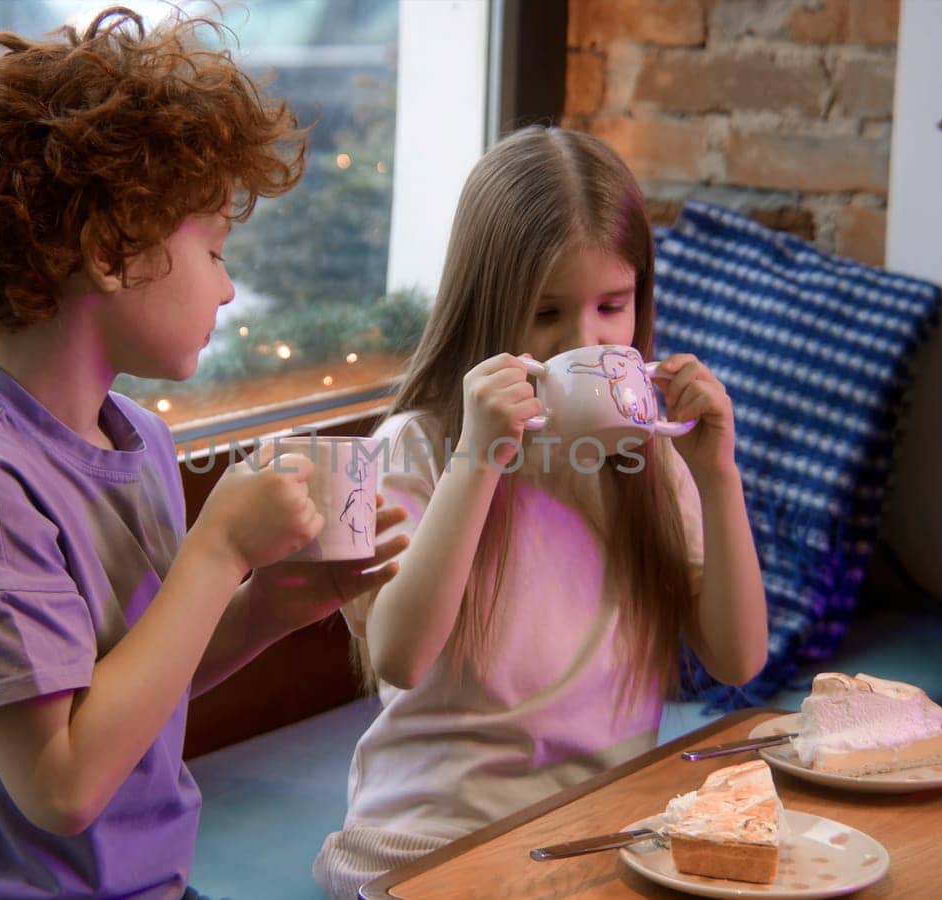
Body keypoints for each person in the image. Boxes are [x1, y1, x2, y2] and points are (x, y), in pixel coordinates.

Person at [0, 8, 408, 898]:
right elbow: (59, 785)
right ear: (110, 251)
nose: (228, 286)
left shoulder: (136, 437)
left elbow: (125, 685)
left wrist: (268, 607)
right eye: (214, 249)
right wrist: (218, 553)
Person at [312, 126, 769, 898]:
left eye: (611, 308)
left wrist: (717, 476)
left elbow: (739, 659)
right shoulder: (407, 449)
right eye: (546, 313)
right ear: (486, 307)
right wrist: (479, 460)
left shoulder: (648, 460)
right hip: (430, 846)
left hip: (603, 835)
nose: (583, 342)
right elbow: (398, 654)